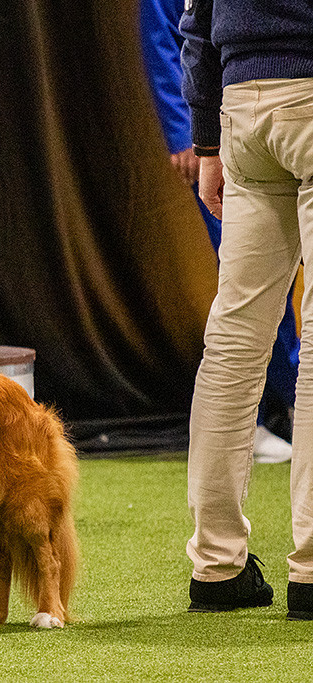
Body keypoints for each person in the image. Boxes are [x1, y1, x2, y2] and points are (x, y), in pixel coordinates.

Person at [180, 0, 313, 620]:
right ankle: (311, 569)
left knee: (232, 342)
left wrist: (207, 137)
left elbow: (196, 18)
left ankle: (216, 565)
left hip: (243, 103)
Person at [139, 0, 297, 464]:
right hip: (230, 123)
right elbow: (169, 34)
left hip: (250, 114)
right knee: (247, 289)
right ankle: (252, 423)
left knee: (267, 287)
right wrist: (188, 132)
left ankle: (283, 407)